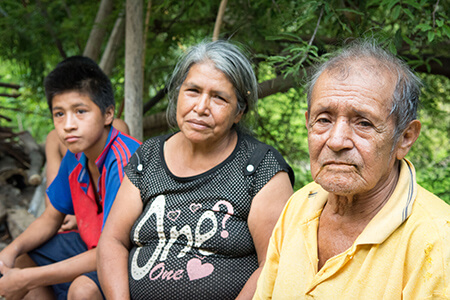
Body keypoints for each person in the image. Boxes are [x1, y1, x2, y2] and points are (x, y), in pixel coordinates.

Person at [97, 40, 295, 300]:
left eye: (219, 98)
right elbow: (112, 242)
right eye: (193, 91)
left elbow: (273, 264)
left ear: (239, 111)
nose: (201, 108)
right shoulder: (149, 157)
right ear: (178, 93)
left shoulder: (260, 168)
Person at [253, 39, 450, 299]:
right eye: (323, 119)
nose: (336, 140)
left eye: (364, 123)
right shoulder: (300, 203)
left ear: (405, 137)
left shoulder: (437, 241)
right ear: (308, 123)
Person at [0, 56, 141, 299]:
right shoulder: (75, 157)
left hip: (130, 256)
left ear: (108, 114)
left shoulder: (125, 160)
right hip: (92, 246)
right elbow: (50, 218)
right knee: (23, 260)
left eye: (80, 111)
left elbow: (112, 248)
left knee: (82, 289)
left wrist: (26, 279)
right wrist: (9, 252)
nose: (68, 125)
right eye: (59, 114)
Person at [45, 118, 130, 232]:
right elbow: (53, 185)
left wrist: (80, 216)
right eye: (60, 113)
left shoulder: (115, 126)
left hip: (110, 215)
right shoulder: (54, 138)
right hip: (75, 207)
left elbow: (120, 181)